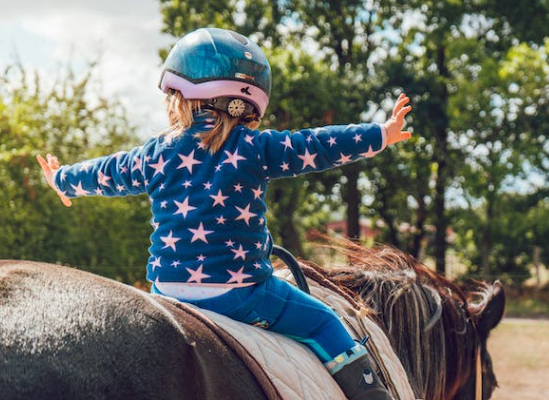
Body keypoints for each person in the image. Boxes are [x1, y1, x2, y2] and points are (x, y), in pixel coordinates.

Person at [37, 27, 411, 400]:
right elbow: (317, 144)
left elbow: (109, 172)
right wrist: (381, 133)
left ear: (179, 97)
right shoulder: (256, 147)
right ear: (249, 103)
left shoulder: (154, 153)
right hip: (241, 294)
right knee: (325, 322)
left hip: (166, 291)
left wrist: (63, 180)